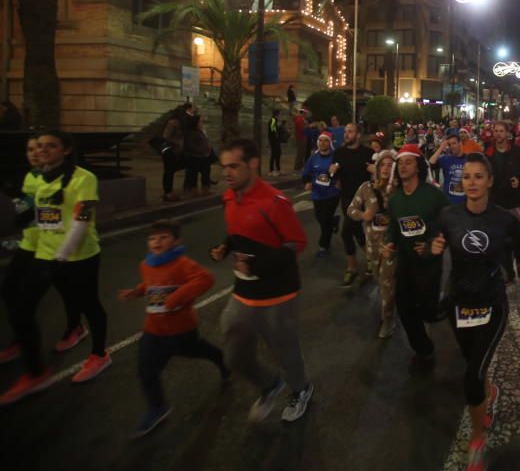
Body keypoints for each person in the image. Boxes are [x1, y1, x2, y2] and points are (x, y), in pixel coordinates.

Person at [433, 153, 520, 471]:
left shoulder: (503, 218)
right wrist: (433, 247)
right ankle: (486, 391)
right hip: (459, 304)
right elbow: (434, 240)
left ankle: (478, 435)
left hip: (493, 303)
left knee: (473, 374)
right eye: (467, 177)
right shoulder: (449, 215)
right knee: (472, 363)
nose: (472, 183)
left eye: (478, 176)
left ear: (490, 181)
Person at [1, 131, 111, 405]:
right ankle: (36, 372)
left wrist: (62, 254)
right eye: (39, 146)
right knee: (21, 308)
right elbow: (32, 217)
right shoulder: (38, 177)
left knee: (88, 303)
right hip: (44, 254)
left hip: (80, 256)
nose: (43, 150)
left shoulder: (85, 178)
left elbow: (83, 219)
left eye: (51, 146)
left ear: (65, 149)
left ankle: (99, 354)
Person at [210, 138, 312, 422]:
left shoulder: (275, 202)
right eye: (223, 167)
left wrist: (259, 263)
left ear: (253, 164)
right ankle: (269, 383)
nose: (227, 173)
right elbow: (238, 231)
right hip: (243, 292)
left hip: (279, 294)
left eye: (234, 166)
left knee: (285, 350)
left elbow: (296, 242)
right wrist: (224, 247)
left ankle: (301, 389)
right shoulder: (229, 197)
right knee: (233, 355)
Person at [118, 219, 227, 437]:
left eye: (163, 237)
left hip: (181, 328)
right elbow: (151, 284)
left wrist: (176, 298)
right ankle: (157, 408)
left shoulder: (183, 263)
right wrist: (137, 292)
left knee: (196, 350)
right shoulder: (146, 264)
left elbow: (205, 279)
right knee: (146, 371)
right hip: (153, 330)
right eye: (152, 238)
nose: (157, 242)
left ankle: (222, 360)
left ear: (176, 241)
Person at [383, 145, 450, 371]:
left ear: (419, 167)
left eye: (408, 162)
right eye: (400, 162)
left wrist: (434, 243)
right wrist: (389, 242)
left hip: (429, 265)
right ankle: (424, 349)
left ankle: (449, 304)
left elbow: (449, 225)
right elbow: (393, 226)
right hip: (406, 263)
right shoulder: (395, 200)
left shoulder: (434, 196)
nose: (403, 166)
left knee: (428, 311)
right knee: (404, 307)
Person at [347, 150, 398, 339]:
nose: (385, 168)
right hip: (372, 246)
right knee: (381, 280)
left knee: (387, 282)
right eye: (382, 165)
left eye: (390, 165)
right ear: (376, 168)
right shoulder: (366, 188)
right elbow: (351, 209)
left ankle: (388, 319)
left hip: (391, 247)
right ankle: (390, 305)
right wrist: (363, 215)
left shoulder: (398, 190)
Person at [331, 123, 376, 286]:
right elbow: (333, 176)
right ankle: (370, 258)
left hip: (363, 198)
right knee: (356, 231)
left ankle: (352, 268)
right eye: (345, 132)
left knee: (346, 232)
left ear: (358, 135)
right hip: (346, 198)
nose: (346, 134)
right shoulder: (339, 153)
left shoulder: (368, 153)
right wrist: (332, 174)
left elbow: (379, 175)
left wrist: (374, 170)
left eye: (350, 132)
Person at [486, 122, 520, 234]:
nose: (498, 134)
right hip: (495, 203)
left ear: (507, 133)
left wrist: (519, 180)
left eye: (501, 131)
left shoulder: (516, 152)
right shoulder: (488, 153)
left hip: (514, 203)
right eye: (496, 131)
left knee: (516, 238)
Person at [302, 133, 341, 257]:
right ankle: (334, 221)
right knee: (320, 218)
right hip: (317, 194)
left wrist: (340, 181)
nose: (322, 143)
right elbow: (306, 174)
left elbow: (344, 171)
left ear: (330, 143)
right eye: (320, 140)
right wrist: (307, 182)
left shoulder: (336, 157)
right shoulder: (313, 158)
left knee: (324, 220)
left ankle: (324, 246)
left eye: (325, 141)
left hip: (332, 193)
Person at [430, 129, 467, 205]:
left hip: (465, 203)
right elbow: (431, 164)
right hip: (449, 202)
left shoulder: (469, 159)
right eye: (449, 145)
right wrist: (441, 148)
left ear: (460, 143)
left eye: (454, 143)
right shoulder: (446, 159)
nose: (451, 146)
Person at [160, 105, 188, 201]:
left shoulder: (181, 123)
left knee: (171, 170)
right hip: (169, 150)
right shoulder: (173, 123)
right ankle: (168, 193)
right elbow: (165, 136)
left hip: (176, 151)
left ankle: (169, 192)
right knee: (168, 172)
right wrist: (176, 144)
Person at [182, 114, 213, 196]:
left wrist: (208, 149)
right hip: (195, 157)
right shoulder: (191, 133)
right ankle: (193, 189)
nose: (202, 123)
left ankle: (205, 188)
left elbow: (205, 141)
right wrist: (201, 151)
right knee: (193, 174)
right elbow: (190, 145)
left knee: (206, 173)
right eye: (200, 122)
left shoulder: (201, 131)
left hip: (205, 156)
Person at [267, 110, 283, 176]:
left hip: (276, 140)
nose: (280, 116)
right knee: (274, 154)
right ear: (277, 114)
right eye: (280, 114)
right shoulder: (273, 120)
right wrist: (278, 127)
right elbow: (273, 130)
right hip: (274, 141)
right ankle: (271, 170)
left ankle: (278, 169)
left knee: (278, 154)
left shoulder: (275, 121)